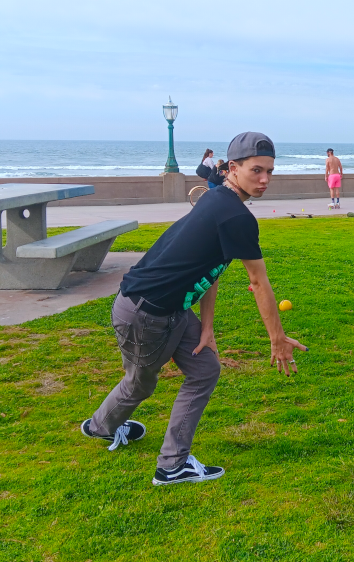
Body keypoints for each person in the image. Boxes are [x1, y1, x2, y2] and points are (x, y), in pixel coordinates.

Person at [80, 132, 308, 486]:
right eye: (257, 170)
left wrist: (206, 326)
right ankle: (110, 432)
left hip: (171, 310)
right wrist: (277, 340)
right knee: (140, 384)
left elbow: (211, 266)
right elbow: (259, 283)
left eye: (270, 172)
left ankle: (169, 460)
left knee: (203, 371)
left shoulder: (219, 197)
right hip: (146, 312)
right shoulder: (235, 216)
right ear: (233, 168)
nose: (265, 180)